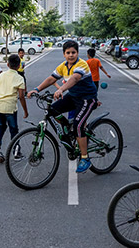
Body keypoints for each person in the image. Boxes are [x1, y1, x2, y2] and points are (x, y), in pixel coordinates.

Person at [28, 40, 99, 173]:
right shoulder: (63, 66)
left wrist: (61, 90)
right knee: (53, 110)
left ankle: (85, 158)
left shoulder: (81, 65)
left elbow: (75, 79)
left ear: (77, 53)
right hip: (73, 96)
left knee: (78, 125)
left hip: (86, 99)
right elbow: (51, 79)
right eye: (68, 53)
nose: (71, 55)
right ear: (64, 54)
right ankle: (69, 128)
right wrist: (37, 89)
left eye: (73, 52)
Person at [0, 54, 28, 163]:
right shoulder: (19, 78)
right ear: (19, 66)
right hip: (10, 107)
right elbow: (21, 96)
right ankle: (16, 153)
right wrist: (26, 111)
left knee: (1, 127)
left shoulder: (2, 75)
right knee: (14, 130)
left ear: (7, 64)